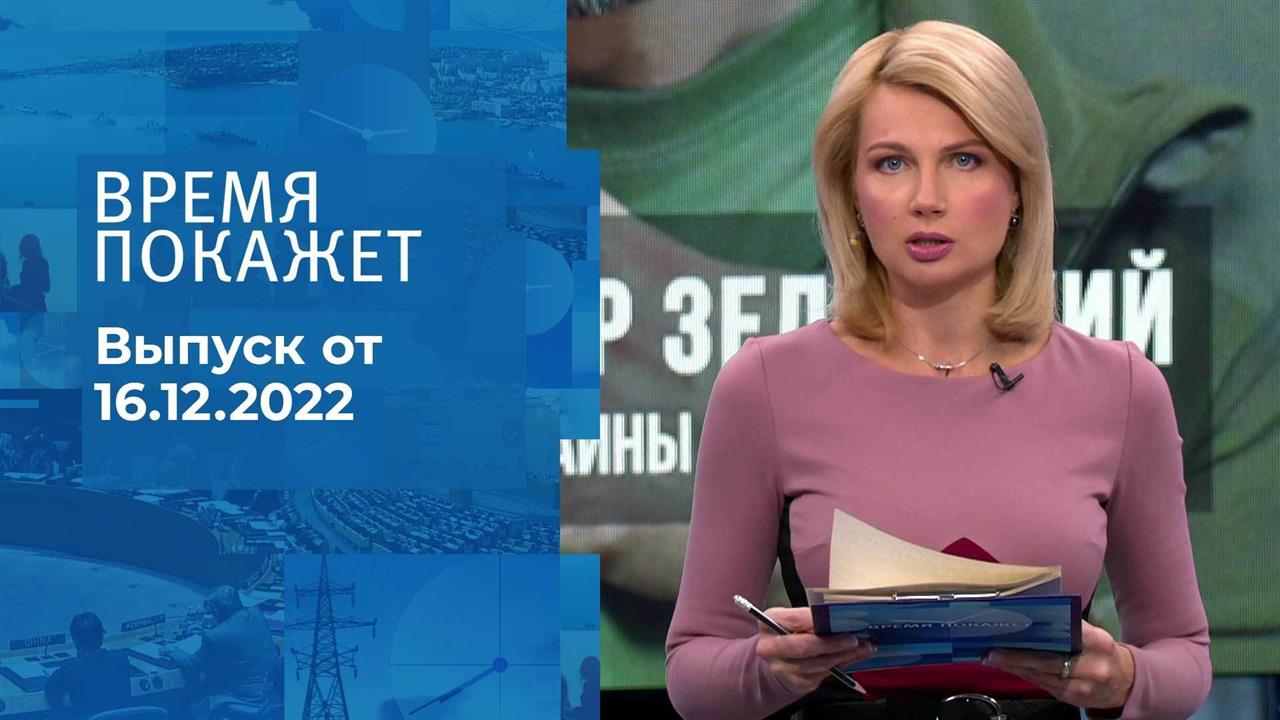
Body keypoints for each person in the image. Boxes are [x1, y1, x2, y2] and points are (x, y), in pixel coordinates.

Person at [664, 21, 1209, 720]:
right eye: (892, 162)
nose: (927, 197)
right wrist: (768, 668)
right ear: (850, 191)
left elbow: (1184, 657)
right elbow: (694, 671)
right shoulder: (766, 385)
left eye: (965, 159)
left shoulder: (1120, 388)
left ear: (1019, 186)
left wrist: (1122, 679)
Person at [162, 586, 279, 720]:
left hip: (242, 700)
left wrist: (173, 651)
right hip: (268, 697)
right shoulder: (255, 613)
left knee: (183, 702)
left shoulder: (215, 636)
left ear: (216, 611)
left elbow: (191, 665)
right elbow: (237, 635)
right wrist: (211, 630)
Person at [44, 612, 133, 720]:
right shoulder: (121, 659)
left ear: (76, 641)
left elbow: (50, 689)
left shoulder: (69, 668)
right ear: (101, 637)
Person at [11, 233, 49, 312]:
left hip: (31, 304)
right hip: (34, 304)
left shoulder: (32, 263)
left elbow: (29, 287)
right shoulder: (41, 262)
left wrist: (13, 289)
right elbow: (46, 287)